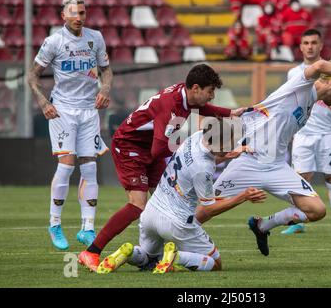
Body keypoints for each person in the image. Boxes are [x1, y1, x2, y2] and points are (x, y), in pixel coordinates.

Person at [195, 58, 331, 256]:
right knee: (204, 211)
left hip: (277, 166)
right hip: (250, 162)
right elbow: (321, 65)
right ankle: (169, 247)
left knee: (317, 210)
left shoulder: (311, 103)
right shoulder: (301, 85)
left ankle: (262, 226)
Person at [78, 64, 247, 271]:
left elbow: (199, 108)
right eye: (210, 91)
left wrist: (230, 112)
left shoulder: (184, 95)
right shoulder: (170, 107)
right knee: (137, 205)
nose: (212, 96)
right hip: (131, 146)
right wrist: (189, 156)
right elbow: (159, 149)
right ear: (196, 88)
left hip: (150, 147)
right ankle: (91, 252)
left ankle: (148, 255)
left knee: (168, 200)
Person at [96, 118, 267, 274]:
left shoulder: (197, 137)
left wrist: (229, 154)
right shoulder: (203, 169)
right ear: (220, 143)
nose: (232, 145)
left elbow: (205, 159)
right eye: (229, 143)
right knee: (215, 264)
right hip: (177, 223)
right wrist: (243, 196)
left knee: (148, 256)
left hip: (151, 213)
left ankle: (130, 253)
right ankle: (177, 257)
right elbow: (209, 209)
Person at [28, 0, 113, 251]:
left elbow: (106, 69)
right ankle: (54, 223)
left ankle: (87, 228)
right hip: (63, 110)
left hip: (89, 111)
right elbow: (33, 75)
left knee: (89, 168)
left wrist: (105, 89)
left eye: (82, 13)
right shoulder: (53, 42)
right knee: (66, 166)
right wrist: (44, 103)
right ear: (63, 15)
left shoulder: (95, 38)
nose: (79, 18)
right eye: (74, 13)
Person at [280, 29, 331, 236]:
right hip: (302, 134)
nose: (310, 46)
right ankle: (298, 221)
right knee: (299, 179)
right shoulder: (293, 73)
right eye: (306, 43)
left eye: (314, 42)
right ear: (301, 47)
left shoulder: (330, 69)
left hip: (327, 134)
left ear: (321, 45)